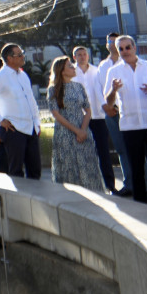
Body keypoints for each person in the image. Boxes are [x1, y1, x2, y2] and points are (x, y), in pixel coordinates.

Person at [105, 35, 147, 205]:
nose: (125, 51)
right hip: (130, 125)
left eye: (127, 47)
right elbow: (108, 103)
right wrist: (113, 90)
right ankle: (141, 204)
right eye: (121, 49)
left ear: (134, 48)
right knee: (136, 168)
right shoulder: (113, 71)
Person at [0, 43, 42, 179]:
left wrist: (37, 122)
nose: (23, 57)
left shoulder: (23, 75)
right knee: (15, 172)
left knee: (35, 170)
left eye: (22, 53)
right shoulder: (0, 76)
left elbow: (31, 100)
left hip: (31, 129)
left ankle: (34, 194)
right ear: (9, 58)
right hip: (13, 129)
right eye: (19, 54)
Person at [47, 56, 105, 193]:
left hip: (83, 131)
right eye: (70, 66)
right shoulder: (53, 90)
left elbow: (88, 110)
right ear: (62, 71)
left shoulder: (78, 86)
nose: (74, 67)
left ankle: (93, 192)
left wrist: (83, 130)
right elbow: (56, 114)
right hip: (65, 133)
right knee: (69, 165)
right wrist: (76, 131)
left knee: (87, 163)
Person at [73, 45, 116, 192]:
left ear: (88, 56)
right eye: (79, 55)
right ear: (75, 57)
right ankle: (87, 185)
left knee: (103, 151)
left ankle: (110, 184)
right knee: (83, 152)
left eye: (84, 54)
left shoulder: (96, 71)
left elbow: (102, 91)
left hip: (98, 116)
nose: (82, 57)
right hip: (80, 118)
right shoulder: (71, 72)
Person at [97, 32, 132, 192]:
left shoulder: (127, 62)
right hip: (111, 112)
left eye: (114, 42)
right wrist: (107, 107)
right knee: (121, 149)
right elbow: (99, 89)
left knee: (135, 148)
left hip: (127, 111)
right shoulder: (103, 66)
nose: (112, 44)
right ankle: (128, 184)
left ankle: (143, 186)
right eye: (109, 42)